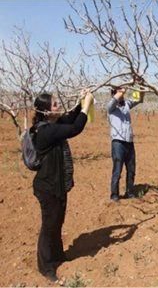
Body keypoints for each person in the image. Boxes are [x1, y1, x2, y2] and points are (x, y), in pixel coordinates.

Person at [32, 89, 94, 282]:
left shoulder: (53, 123)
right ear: (46, 111)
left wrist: (82, 102)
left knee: (57, 222)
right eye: (55, 104)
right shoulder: (46, 131)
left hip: (57, 186)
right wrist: (86, 107)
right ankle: (46, 267)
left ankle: (58, 255)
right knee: (49, 226)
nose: (58, 106)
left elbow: (69, 119)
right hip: (48, 187)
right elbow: (75, 128)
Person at [107, 86, 144, 201]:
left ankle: (130, 193)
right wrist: (122, 90)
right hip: (118, 143)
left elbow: (139, 98)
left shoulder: (127, 105)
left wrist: (141, 86)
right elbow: (114, 100)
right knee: (117, 171)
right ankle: (114, 195)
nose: (122, 95)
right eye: (119, 93)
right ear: (114, 94)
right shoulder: (111, 107)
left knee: (131, 170)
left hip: (129, 142)